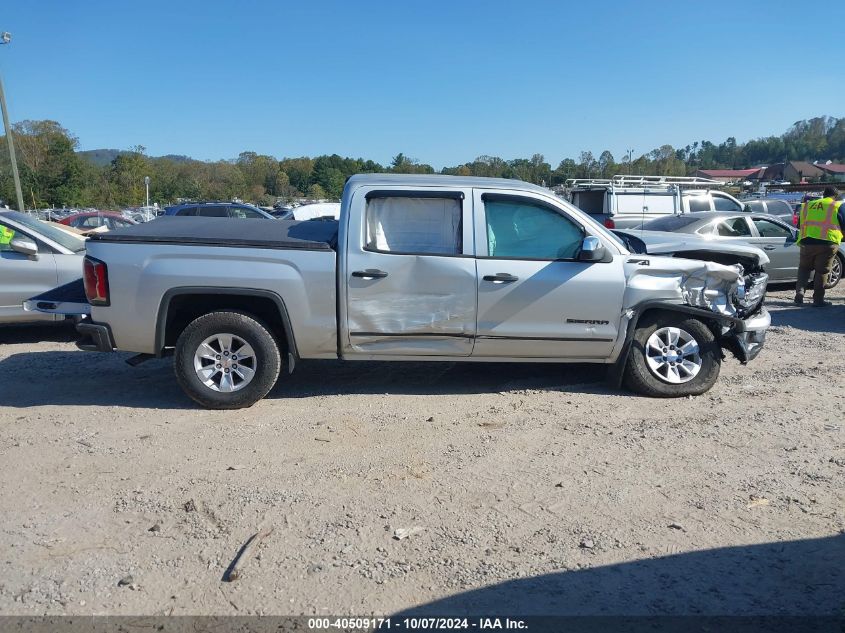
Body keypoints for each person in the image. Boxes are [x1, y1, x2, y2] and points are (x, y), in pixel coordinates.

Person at [794, 186, 844, 307]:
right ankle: (818, 300)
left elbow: (799, 224)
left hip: (806, 241)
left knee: (804, 268)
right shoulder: (837, 205)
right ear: (835, 196)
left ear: (823, 194)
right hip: (827, 242)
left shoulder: (808, 205)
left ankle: (799, 295)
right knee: (822, 271)